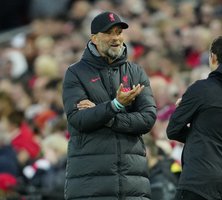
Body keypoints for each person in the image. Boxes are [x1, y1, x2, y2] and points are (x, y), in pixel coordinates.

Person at [62, 11, 157, 200]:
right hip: (90, 185)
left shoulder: (136, 72)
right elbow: (79, 119)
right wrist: (115, 105)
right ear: (94, 38)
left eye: (119, 32)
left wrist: (109, 114)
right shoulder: (75, 73)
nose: (116, 38)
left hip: (132, 185)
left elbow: (147, 119)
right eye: (109, 33)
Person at [166, 35, 222, 200]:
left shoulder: (200, 89)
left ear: (213, 57)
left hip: (198, 179)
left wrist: (198, 133)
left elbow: (172, 130)